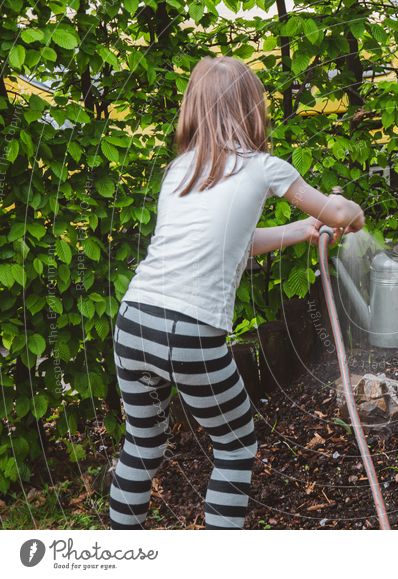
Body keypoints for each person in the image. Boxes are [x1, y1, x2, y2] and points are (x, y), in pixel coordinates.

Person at [108, 56, 364, 530]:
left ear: (194, 108)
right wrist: (347, 208)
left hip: (135, 322)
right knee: (237, 443)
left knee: (142, 443)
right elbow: (343, 216)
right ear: (251, 109)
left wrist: (298, 230)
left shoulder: (180, 171)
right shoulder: (265, 168)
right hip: (189, 334)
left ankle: (121, 551)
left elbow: (233, 246)